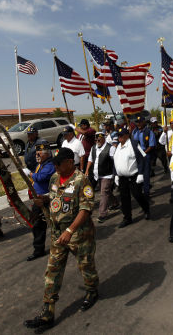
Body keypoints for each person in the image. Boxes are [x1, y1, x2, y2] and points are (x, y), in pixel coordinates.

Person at [24, 148, 99, 332]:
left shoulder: (82, 180)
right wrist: (43, 199)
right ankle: (47, 312)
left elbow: (86, 209)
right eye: (54, 163)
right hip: (58, 234)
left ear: (69, 162)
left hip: (79, 234)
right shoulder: (55, 178)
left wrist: (70, 230)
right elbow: (55, 196)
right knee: (52, 271)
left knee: (85, 265)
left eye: (58, 163)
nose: (55, 166)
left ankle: (92, 290)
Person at [22, 140, 56, 261]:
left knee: (55, 224)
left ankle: (61, 244)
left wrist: (30, 174)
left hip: (48, 200)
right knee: (37, 225)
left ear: (47, 154)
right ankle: (38, 250)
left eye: (40, 153)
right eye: (36, 153)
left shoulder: (50, 165)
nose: (37, 155)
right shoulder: (40, 165)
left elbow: (41, 177)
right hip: (38, 201)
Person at [113, 128, 150, 228]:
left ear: (127, 136)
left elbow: (143, 158)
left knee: (137, 195)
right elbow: (115, 162)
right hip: (122, 178)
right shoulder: (118, 147)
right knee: (124, 198)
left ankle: (146, 209)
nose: (119, 137)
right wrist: (115, 174)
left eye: (121, 135)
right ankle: (127, 218)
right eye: (118, 135)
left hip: (133, 176)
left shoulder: (133, 144)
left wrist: (141, 173)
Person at [85, 132, 117, 223]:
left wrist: (116, 174)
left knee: (103, 193)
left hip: (107, 174)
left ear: (104, 139)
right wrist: (87, 170)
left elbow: (115, 161)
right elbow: (90, 159)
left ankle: (102, 214)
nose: (97, 141)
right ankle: (114, 203)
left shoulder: (110, 148)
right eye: (96, 140)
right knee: (107, 191)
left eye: (99, 139)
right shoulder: (93, 148)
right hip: (97, 174)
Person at [131, 115, 156, 201]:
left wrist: (143, 153)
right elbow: (134, 143)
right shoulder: (135, 132)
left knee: (145, 175)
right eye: (137, 123)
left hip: (146, 156)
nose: (139, 124)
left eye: (140, 122)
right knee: (137, 174)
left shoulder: (149, 132)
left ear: (144, 122)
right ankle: (140, 191)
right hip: (137, 156)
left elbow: (151, 145)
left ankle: (146, 193)